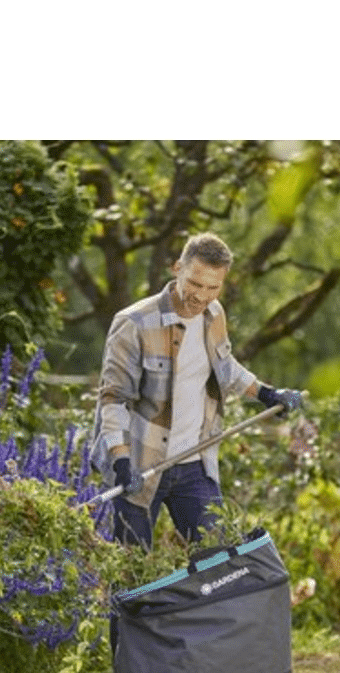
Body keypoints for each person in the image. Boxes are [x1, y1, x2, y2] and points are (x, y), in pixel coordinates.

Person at [90, 231, 303, 552]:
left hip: (192, 463)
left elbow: (225, 365)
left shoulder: (214, 314)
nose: (201, 297)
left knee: (221, 557)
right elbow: (113, 399)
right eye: (195, 284)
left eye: (213, 287)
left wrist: (267, 394)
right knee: (130, 566)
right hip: (140, 462)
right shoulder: (134, 323)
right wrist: (120, 461)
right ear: (177, 268)